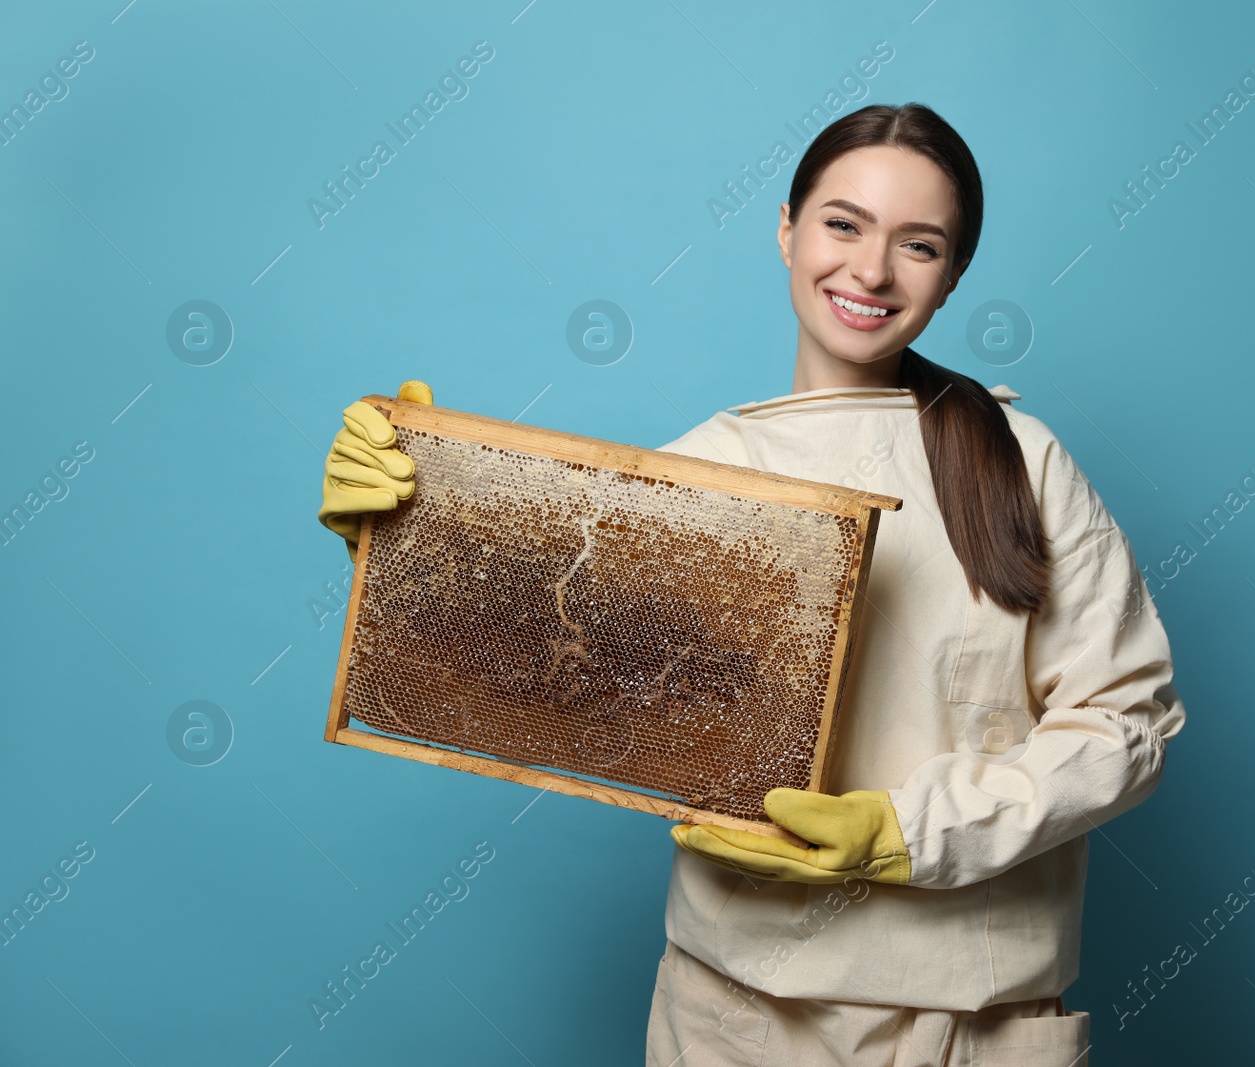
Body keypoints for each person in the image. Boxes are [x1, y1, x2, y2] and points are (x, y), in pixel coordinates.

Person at [317, 103, 1184, 1067]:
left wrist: (904, 832)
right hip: (736, 1017)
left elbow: (1125, 724)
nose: (868, 270)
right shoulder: (693, 477)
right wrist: (405, 528)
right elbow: (553, 676)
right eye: (842, 223)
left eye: (920, 244)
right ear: (786, 228)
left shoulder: (1019, 463)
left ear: (953, 274)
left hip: (974, 1026)